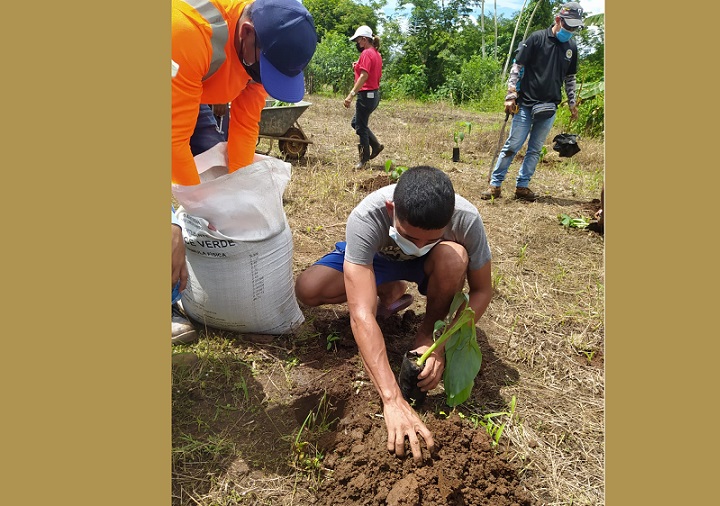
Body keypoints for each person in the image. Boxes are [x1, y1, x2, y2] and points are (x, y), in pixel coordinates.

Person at [295, 166, 493, 464]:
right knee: (309, 289)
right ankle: (387, 287)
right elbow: (361, 314)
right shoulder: (368, 216)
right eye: (410, 236)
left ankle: (424, 333)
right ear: (392, 209)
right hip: (379, 260)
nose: (419, 245)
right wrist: (392, 399)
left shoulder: (466, 218)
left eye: (430, 239)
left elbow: (482, 290)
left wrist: (440, 344)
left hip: (433, 266)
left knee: (454, 258)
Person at [171, 0, 317, 343]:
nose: (264, 78)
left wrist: (239, 196)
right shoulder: (188, 31)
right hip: (170, 74)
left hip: (192, 87)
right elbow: (172, 140)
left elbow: (245, 128)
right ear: (247, 33)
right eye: (266, 70)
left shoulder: (262, 49)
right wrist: (197, 212)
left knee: (216, 169)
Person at [481, 2, 584, 202]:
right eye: (568, 26)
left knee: (535, 149)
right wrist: (511, 94)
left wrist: (572, 103)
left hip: (549, 107)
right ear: (558, 20)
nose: (570, 31)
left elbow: (570, 78)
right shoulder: (537, 39)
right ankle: (495, 184)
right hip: (526, 104)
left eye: (574, 28)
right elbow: (517, 66)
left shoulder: (571, 47)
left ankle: (522, 186)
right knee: (513, 145)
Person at [343, 25, 384, 170]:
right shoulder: (376, 54)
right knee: (357, 123)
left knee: (360, 127)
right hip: (374, 95)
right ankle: (376, 146)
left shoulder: (366, 53)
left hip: (366, 96)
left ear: (364, 39)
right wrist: (357, 66)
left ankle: (364, 160)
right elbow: (370, 72)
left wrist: (351, 95)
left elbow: (364, 76)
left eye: (358, 40)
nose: (357, 43)